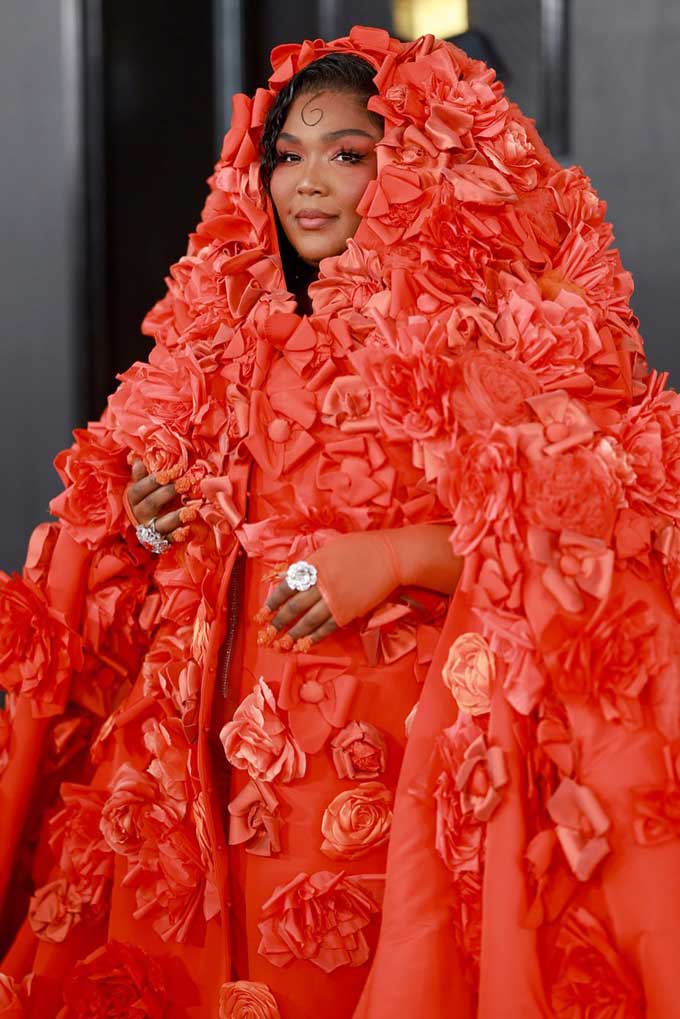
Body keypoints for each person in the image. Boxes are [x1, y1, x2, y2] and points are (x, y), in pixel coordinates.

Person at [1, 23, 679, 1019]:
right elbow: (148, 547)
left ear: (413, 169)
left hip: (398, 766)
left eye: (347, 154)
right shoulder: (230, 335)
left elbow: (591, 528)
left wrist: (393, 555)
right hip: (230, 789)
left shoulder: (489, 334)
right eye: (287, 154)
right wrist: (148, 525)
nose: (306, 181)